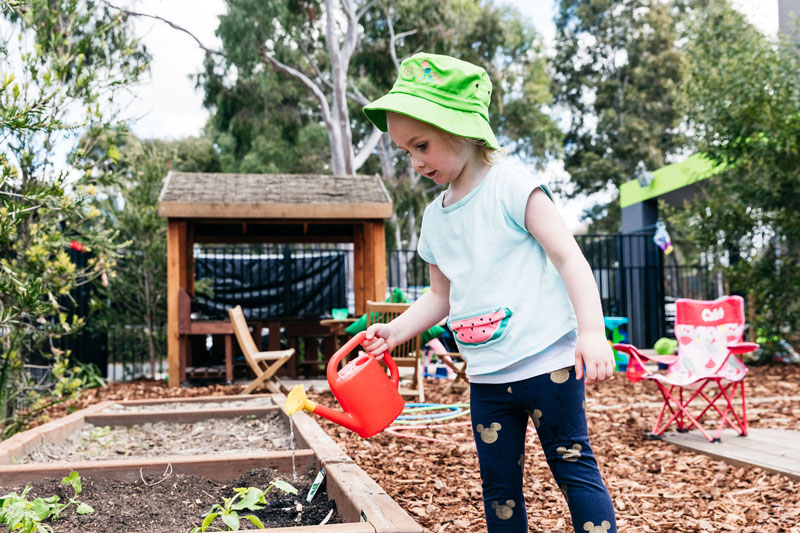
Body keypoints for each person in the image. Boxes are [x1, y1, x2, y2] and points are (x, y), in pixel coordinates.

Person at [361, 53, 618, 533]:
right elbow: (440, 298)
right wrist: (394, 332)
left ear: (461, 127)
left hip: (550, 364)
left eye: (422, 145)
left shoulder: (513, 187)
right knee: (499, 488)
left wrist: (592, 332)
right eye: (406, 152)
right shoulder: (434, 218)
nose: (416, 163)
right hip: (486, 379)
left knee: (573, 469)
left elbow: (569, 257)